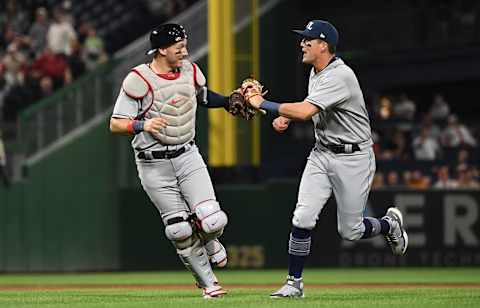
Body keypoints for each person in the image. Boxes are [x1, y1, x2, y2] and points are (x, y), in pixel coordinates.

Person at [245, 20, 408, 298]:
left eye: (308, 39)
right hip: (322, 154)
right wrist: (287, 114)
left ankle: (388, 224)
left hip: (353, 157)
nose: (302, 43)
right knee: (303, 216)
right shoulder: (317, 71)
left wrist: (263, 104)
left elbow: (306, 111)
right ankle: (293, 283)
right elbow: (314, 108)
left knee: (351, 231)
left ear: (323, 45)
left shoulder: (340, 75)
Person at [109, 23, 238, 298]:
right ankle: (209, 284)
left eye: (184, 46)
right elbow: (116, 124)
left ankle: (211, 240)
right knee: (179, 229)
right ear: (162, 49)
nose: (185, 51)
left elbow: (202, 97)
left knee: (212, 220)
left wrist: (228, 101)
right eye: (179, 47)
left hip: (187, 155)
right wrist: (143, 125)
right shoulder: (139, 79)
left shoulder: (191, 71)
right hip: (153, 163)